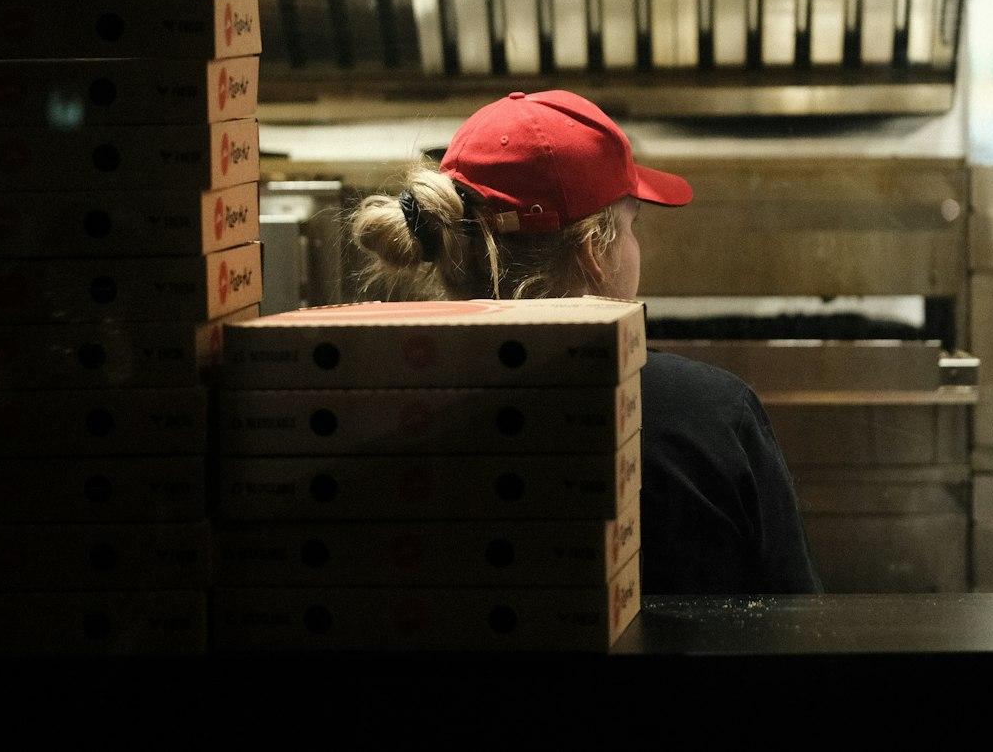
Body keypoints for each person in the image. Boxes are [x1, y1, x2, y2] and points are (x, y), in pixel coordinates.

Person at [349, 89, 822, 595]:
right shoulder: (708, 414)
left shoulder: (380, 406)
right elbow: (796, 623)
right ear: (596, 249)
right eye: (631, 225)